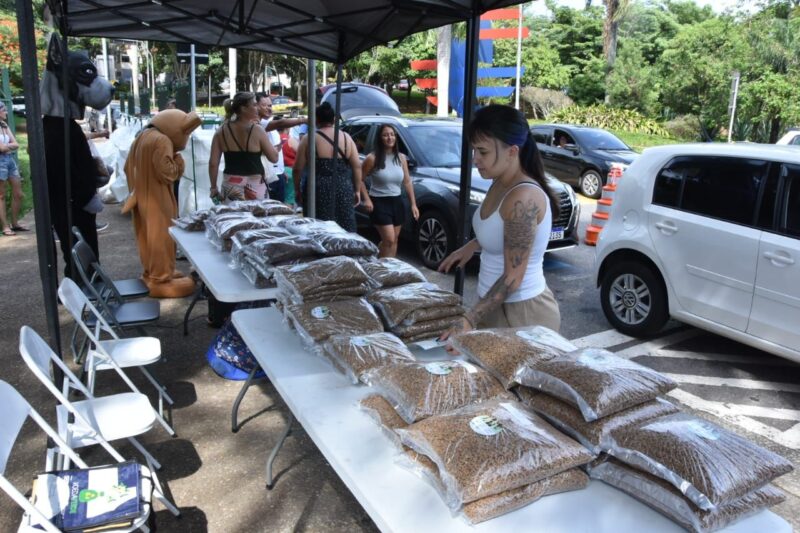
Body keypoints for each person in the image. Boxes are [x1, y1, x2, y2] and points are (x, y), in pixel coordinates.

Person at [438, 104, 562, 339]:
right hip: (493, 305)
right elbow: (500, 229)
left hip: (523, 313)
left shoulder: (523, 199)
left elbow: (513, 277)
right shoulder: (500, 181)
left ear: (512, 151)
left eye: (482, 152)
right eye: (474, 150)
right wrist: (473, 245)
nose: (475, 159)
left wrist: (469, 319)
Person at [123, 109, 202, 298]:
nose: (186, 137)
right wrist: (178, 161)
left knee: (146, 235)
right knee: (161, 236)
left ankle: (153, 271)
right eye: (186, 133)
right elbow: (168, 173)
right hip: (158, 199)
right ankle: (160, 278)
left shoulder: (142, 136)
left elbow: (127, 168)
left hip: (141, 196)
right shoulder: (162, 140)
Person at [292, 102, 362, 232]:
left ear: (317, 119)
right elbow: (357, 166)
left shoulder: (309, 139)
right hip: (342, 186)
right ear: (334, 119)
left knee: (319, 227)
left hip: (316, 188)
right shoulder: (346, 138)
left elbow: (297, 168)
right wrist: (357, 190)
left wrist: (297, 190)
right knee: (344, 224)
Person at [360, 124, 419, 257]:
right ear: (380, 138)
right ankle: (381, 269)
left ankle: (387, 268)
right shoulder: (372, 158)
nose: (389, 138)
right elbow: (359, 180)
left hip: (396, 202)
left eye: (392, 134)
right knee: (389, 239)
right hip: (379, 202)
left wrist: (413, 204)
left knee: (394, 241)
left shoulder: (401, 158)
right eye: (385, 135)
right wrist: (366, 199)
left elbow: (407, 182)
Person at [208, 92, 278, 202]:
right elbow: (274, 158)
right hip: (256, 185)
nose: (257, 108)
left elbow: (213, 163)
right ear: (243, 108)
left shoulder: (221, 131)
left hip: (230, 184)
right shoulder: (258, 130)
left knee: (233, 218)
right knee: (257, 218)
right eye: (254, 105)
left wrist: (213, 187)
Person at [254, 92, 306, 202]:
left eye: (270, 105)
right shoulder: (258, 124)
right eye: (265, 105)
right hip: (267, 178)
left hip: (277, 175)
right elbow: (281, 123)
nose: (269, 108)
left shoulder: (266, 123)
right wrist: (302, 120)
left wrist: (281, 171)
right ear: (255, 106)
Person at [0, 102, 25, 236]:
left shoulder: (4, 125)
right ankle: (5, 227)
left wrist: (7, 146)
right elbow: (2, 148)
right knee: (1, 195)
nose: (6, 112)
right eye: (4, 110)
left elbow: (15, 144)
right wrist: (8, 146)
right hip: (0, 162)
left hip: (9, 160)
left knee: (18, 193)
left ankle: (15, 223)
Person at [279, 126, 298, 206]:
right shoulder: (290, 140)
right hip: (290, 171)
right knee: (289, 199)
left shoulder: (273, 139)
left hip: (279, 172)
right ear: (287, 129)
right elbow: (301, 153)